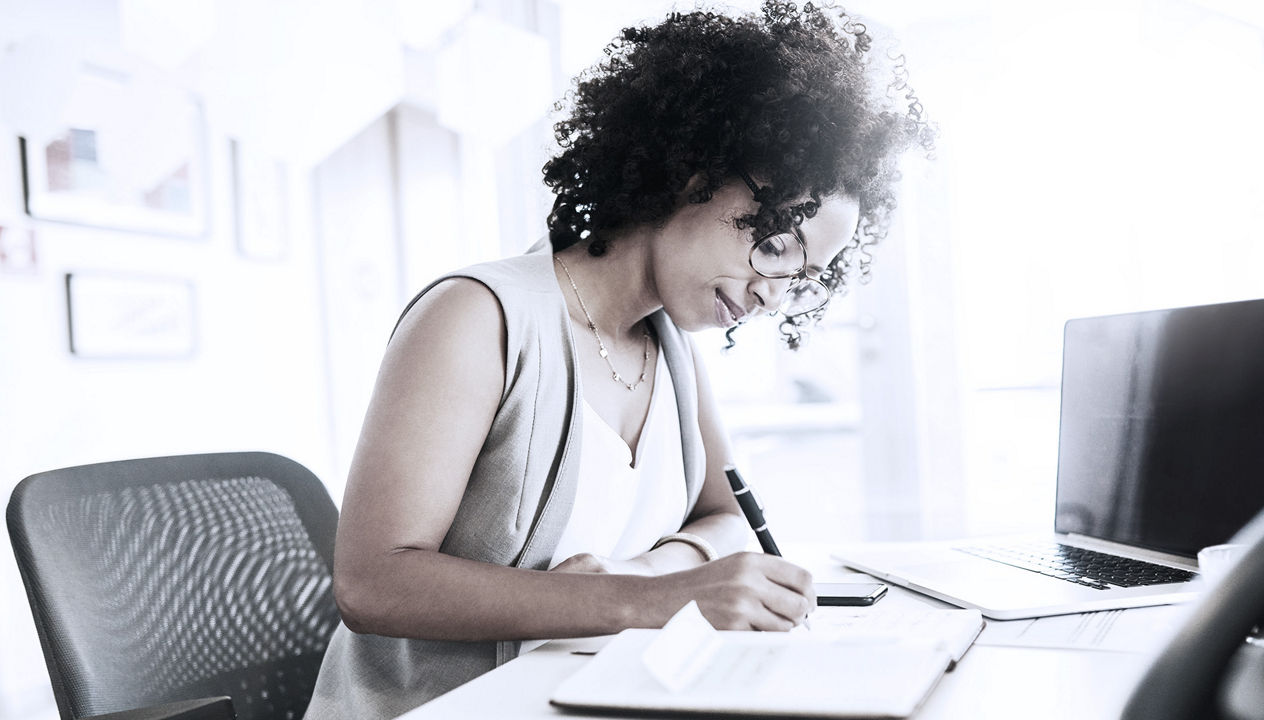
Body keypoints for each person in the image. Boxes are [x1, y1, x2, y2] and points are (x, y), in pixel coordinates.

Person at [304, 2, 932, 717]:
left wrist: (644, 572)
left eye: (803, 277)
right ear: (694, 172)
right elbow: (372, 584)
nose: (772, 294)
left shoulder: (669, 345)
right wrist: (651, 598)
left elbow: (726, 520)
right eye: (777, 245)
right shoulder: (477, 318)